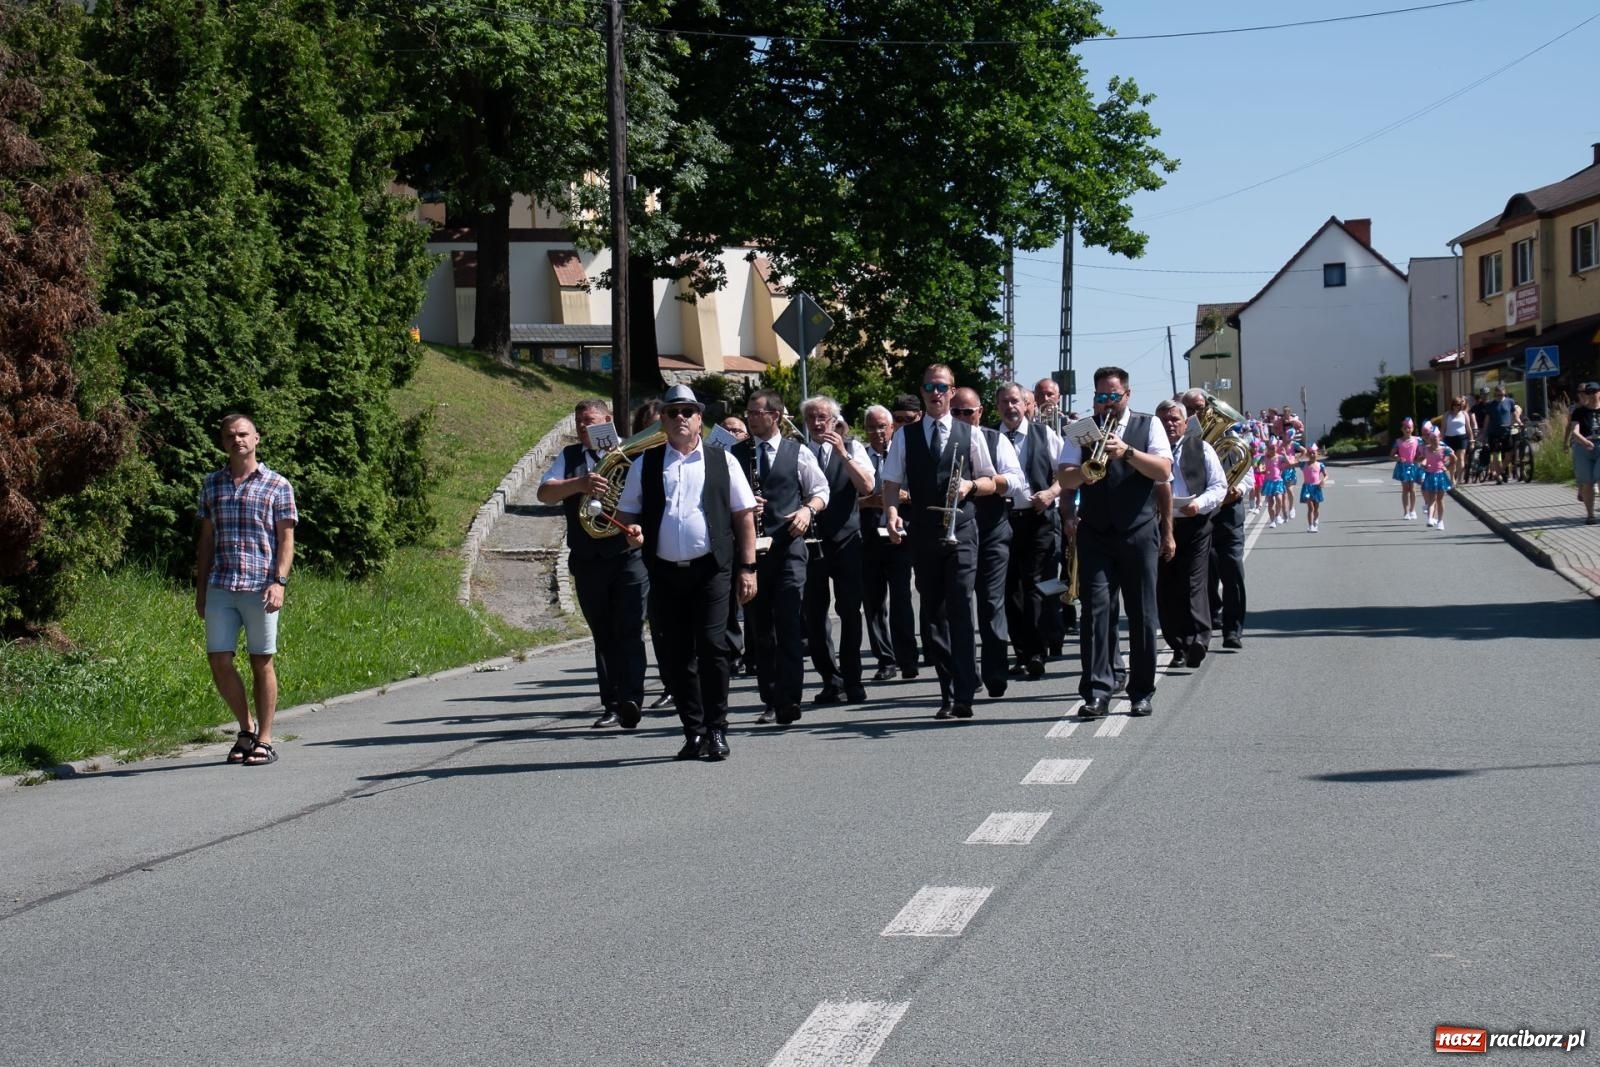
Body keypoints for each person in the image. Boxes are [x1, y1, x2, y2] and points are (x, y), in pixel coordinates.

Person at [616, 384, 758, 761]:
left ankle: (717, 729)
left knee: (713, 647)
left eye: (688, 411)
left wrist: (748, 568)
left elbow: (744, 516)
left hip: (711, 569)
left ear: (699, 419)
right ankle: (693, 731)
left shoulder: (723, 461)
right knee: (676, 654)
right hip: (664, 571)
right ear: (662, 420)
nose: (680, 417)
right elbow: (628, 513)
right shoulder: (645, 463)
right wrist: (632, 530)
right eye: (673, 412)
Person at [881, 364, 1001, 719]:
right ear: (922, 392)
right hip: (924, 531)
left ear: (952, 392)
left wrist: (971, 485)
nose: (936, 393)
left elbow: (991, 480)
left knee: (960, 607)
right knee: (933, 614)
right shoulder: (905, 436)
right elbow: (891, 481)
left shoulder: (971, 433)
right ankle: (947, 690)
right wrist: (891, 514)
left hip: (961, 530)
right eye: (930, 387)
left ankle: (963, 693)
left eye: (942, 387)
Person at [1056, 367, 1173, 719]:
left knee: (1142, 614)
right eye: (1101, 397)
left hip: (1138, 532)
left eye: (1114, 396)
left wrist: (1127, 453)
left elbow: (1163, 471)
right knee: (1095, 613)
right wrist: (1084, 472)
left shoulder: (1148, 425)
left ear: (1127, 395)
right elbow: (1064, 477)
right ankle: (1097, 691)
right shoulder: (1082, 429)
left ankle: (1141, 691)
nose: (1107, 403)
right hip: (1096, 532)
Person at [536, 398, 646, 729]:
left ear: (608, 420)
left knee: (630, 628)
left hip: (628, 555)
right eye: (579, 422)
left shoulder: (632, 452)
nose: (583, 427)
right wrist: (580, 484)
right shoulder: (570, 457)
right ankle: (611, 704)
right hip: (588, 559)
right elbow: (545, 493)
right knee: (603, 633)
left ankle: (631, 699)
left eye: (590, 420)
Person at [195, 413, 297, 767]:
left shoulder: (277, 485)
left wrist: (279, 582)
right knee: (219, 660)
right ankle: (246, 728)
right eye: (229, 435)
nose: (236, 440)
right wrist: (201, 589)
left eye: (243, 434)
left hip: (261, 587)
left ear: (256, 439)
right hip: (221, 585)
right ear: (223, 442)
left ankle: (265, 739)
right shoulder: (212, 484)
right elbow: (206, 540)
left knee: (261, 660)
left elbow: (286, 539)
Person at [733, 389, 829, 725]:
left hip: (788, 549)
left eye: (756, 413)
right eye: (748, 412)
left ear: (774, 416)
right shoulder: (735, 454)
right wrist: (743, 506)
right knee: (761, 629)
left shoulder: (797, 451)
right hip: (752, 553)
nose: (750, 418)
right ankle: (770, 699)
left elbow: (821, 491)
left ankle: (789, 699)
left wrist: (807, 510)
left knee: (788, 623)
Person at [801, 395, 875, 705]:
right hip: (812, 543)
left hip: (847, 541)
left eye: (823, 418)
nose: (817, 424)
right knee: (815, 615)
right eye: (812, 418)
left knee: (850, 611)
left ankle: (854, 679)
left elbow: (867, 487)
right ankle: (831, 680)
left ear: (835, 421)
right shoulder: (799, 451)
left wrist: (843, 453)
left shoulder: (854, 448)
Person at [952, 386, 1021, 699]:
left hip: (991, 531)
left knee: (991, 603)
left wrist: (984, 484)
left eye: (968, 412)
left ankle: (995, 670)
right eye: (956, 412)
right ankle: (967, 675)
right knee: (960, 605)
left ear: (980, 412)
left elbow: (1016, 480)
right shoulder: (944, 441)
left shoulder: (995, 440)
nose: (962, 418)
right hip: (957, 534)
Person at [995, 381, 1064, 679]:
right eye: (1004, 402)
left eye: (1015, 401)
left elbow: (1065, 472)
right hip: (1003, 521)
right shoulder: (990, 437)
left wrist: (1051, 493)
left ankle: (1037, 651)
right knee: (1010, 589)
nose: (1010, 407)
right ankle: (1022, 653)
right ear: (997, 406)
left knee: (1035, 585)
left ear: (1026, 405)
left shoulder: (1043, 434)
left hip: (1038, 520)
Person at [1155, 399, 1225, 670]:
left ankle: (1198, 639)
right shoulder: (1149, 451)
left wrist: (1199, 504)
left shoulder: (1202, 447)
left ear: (1185, 423)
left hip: (1194, 524)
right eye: (1164, 420)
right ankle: (1178, 646)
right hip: (1159, 525)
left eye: (1174, 419)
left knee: (1193, 583)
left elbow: (1218, 486)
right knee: (1167, 587)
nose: (1169, 424)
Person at [859, 404, 920, 681]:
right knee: (873, 603)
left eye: (882, 426)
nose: (877, 432)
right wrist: (868, 501)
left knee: (901, 598)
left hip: (900, 536)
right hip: (869, 538)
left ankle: (907, 657)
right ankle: (885, 659)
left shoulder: (906, 453)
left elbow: (923, 490)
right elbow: (847, 499)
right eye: (872, 427)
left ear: (892, 428)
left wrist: (906, 497)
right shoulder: (860, 457)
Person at [1569, 382, 1600, 525]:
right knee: (1587, 483)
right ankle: (1590, 515)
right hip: (1584, 448)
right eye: (1589, 393)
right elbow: (1575, 431)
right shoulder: (1579, 412)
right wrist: (1584, 441)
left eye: (1595, 392)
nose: (1593, 395)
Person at [1484, 385, 1522, 483]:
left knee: (1509, 454)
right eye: (1498, 394)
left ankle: (1499, 472)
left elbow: (1514, 414)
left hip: (1506, 431)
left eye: (1502, 394)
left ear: (1505, 392)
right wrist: (1484, 432)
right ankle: (1499, 476)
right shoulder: (1490, 404)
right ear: (1495, 394)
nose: (1500, 396)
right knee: (1496, 454)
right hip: (1493, 432)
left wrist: (1519, 422)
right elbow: (1487, 419)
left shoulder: (1510, 402)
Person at [1418, 425, 1454, 529]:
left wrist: (1447, 465)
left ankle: (1440, 521)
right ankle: (1430, 518)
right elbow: (1420, 458)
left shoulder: (1444, 448)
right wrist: (1423, 464)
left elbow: (1454, 458)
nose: (1434, 441)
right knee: (1432, 498)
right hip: (1430, 475)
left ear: (1440, 438)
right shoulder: (1426, 449)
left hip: (1440, 476)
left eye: (1435, 438)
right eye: (1431, 439)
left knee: (1440, 499)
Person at [1391, 417, 1422, 520]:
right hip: (1403, 467)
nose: (1407, 430)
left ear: (1412, 428)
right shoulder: (1398, 441)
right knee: (1405, 489)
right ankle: (1406, 511)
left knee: (1412, 489)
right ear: (1402, 429)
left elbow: (1422, 453)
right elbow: (1392, 455)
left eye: (1409, 427)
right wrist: (1398, 457)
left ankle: (1412, 510)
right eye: (1405, 428)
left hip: (1413, 466)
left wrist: (1419, 458)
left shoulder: (1417, 440)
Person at [1442, 395, 1472, 482]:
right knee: (1452, 459)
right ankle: (1452, 478)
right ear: (1452, 405)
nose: (1456, 406)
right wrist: (1440, 440)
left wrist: (1471, 439)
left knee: (1461, 458)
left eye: (1458, 404)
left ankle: (1459, 477)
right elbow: (1443, 428)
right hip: (1449, 438)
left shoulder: (1464, 414)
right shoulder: (1447, 414)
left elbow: (1468, 428)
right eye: (1455, 404)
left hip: (1461, 438)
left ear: (1461, 405)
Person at [1298, 444, 1327, 532]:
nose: (1312, 455)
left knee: (1316, 508)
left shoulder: (1320, 465)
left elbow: (1326, 475)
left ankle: (1315, 521)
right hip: (1307, 488)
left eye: (1313, 453)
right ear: (1307, 454)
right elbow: (1292, 463)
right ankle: (1310, 526)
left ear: (1317, 454)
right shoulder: (1303, 464)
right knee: (1311, 508)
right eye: (1310, 453)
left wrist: (1323, 480)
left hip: (1316, 487)